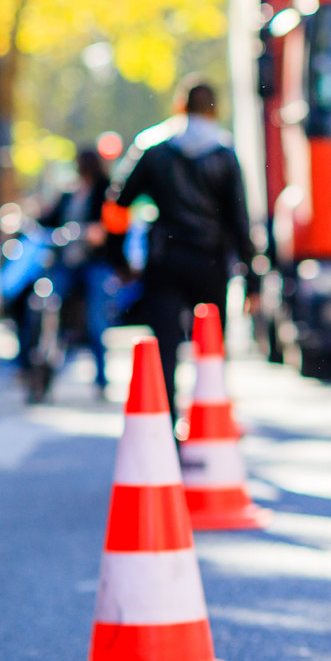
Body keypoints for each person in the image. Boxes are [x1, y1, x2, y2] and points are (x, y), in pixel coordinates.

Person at [110, 78, 257, 413]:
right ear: (215, 109)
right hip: (211, 262)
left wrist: (120, 258)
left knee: (166, 348)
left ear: (179, 105)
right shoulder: (224, 152)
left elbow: (119, 200)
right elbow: (239, 220)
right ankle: (211, 422)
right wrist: (253, 278)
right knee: (211, 347)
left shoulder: (154, 148)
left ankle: (168, 426)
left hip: (166, 260)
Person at [34, 148, 117, 396]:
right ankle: (43, 370)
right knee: (49, 308)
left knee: (96, 320)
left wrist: (99, 233)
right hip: (67, 263)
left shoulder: (106, 191)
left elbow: (112, 228)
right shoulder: (69, 193)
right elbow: (49, 220)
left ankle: (101, 379)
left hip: (94, 264)